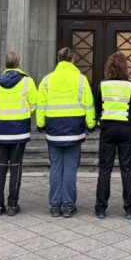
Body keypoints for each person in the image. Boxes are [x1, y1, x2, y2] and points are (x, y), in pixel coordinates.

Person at [36, 47, 95, 218]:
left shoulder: (47, 80)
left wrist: (41, 124)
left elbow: (41, 104)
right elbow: (88, 105)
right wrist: (90, 125)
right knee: (70, 168)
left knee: (55, 167)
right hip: (74, 129)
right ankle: (68, 205)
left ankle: (55, 205)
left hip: (54, 129)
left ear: (58, 59)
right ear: (72, 59)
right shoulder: (81, 80)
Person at [0, 52, 37, 217]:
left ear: (5, 64)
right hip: (19, 129)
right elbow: (33, 103)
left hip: (0, 129)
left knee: (0, 166)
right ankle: (12, 205)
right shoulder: (27, 81)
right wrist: (24, 113)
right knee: (15, 166)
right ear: (19, 63)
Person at [94, 52, 131, 219]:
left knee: (105, 169)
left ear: (108, 68)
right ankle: (129, 208)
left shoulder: (102, 85)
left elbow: (98, 106)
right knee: (127, 169)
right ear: (125, 68)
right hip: (126, 128)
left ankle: (101, 207)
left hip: (108, 128)